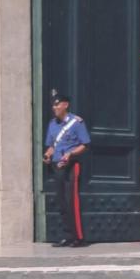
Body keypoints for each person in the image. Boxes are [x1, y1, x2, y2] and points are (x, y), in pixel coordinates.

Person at [43, 93, 91, 247]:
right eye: (53, 105)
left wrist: (71, 154)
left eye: (57, 105)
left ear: (65, 105)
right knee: (61, 202)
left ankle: (79, 237)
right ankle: (68, 235)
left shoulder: (76, 123)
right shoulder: (52, 124)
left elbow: (85, 144)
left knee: (72, 202)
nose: (54, 108)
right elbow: (52, 146)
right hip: (57, 166)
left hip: (71, 166)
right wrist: (47, 155)